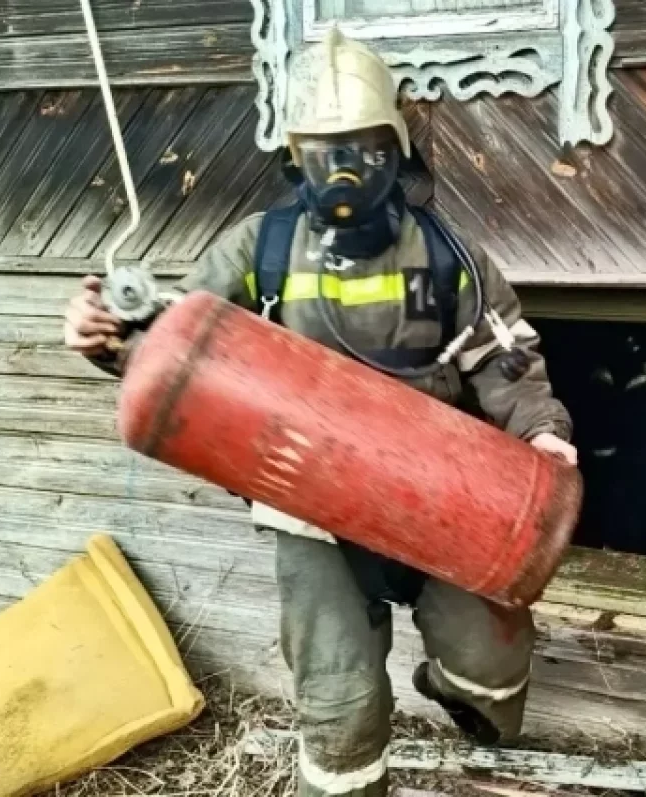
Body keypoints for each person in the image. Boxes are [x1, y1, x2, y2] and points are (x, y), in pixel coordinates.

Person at [62, 28, 576, 797]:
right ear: (294, 154)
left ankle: (460, 692)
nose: (344, 169)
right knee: (342, 702)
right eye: (324, 151)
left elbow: (507, 358)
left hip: (440, 491)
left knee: (489, 661)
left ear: (396, 148)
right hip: (312, 512)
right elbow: (173, 344)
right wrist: (108, 337)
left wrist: (543, 432)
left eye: (364, 148)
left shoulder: (447, 255)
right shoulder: (259, 250)